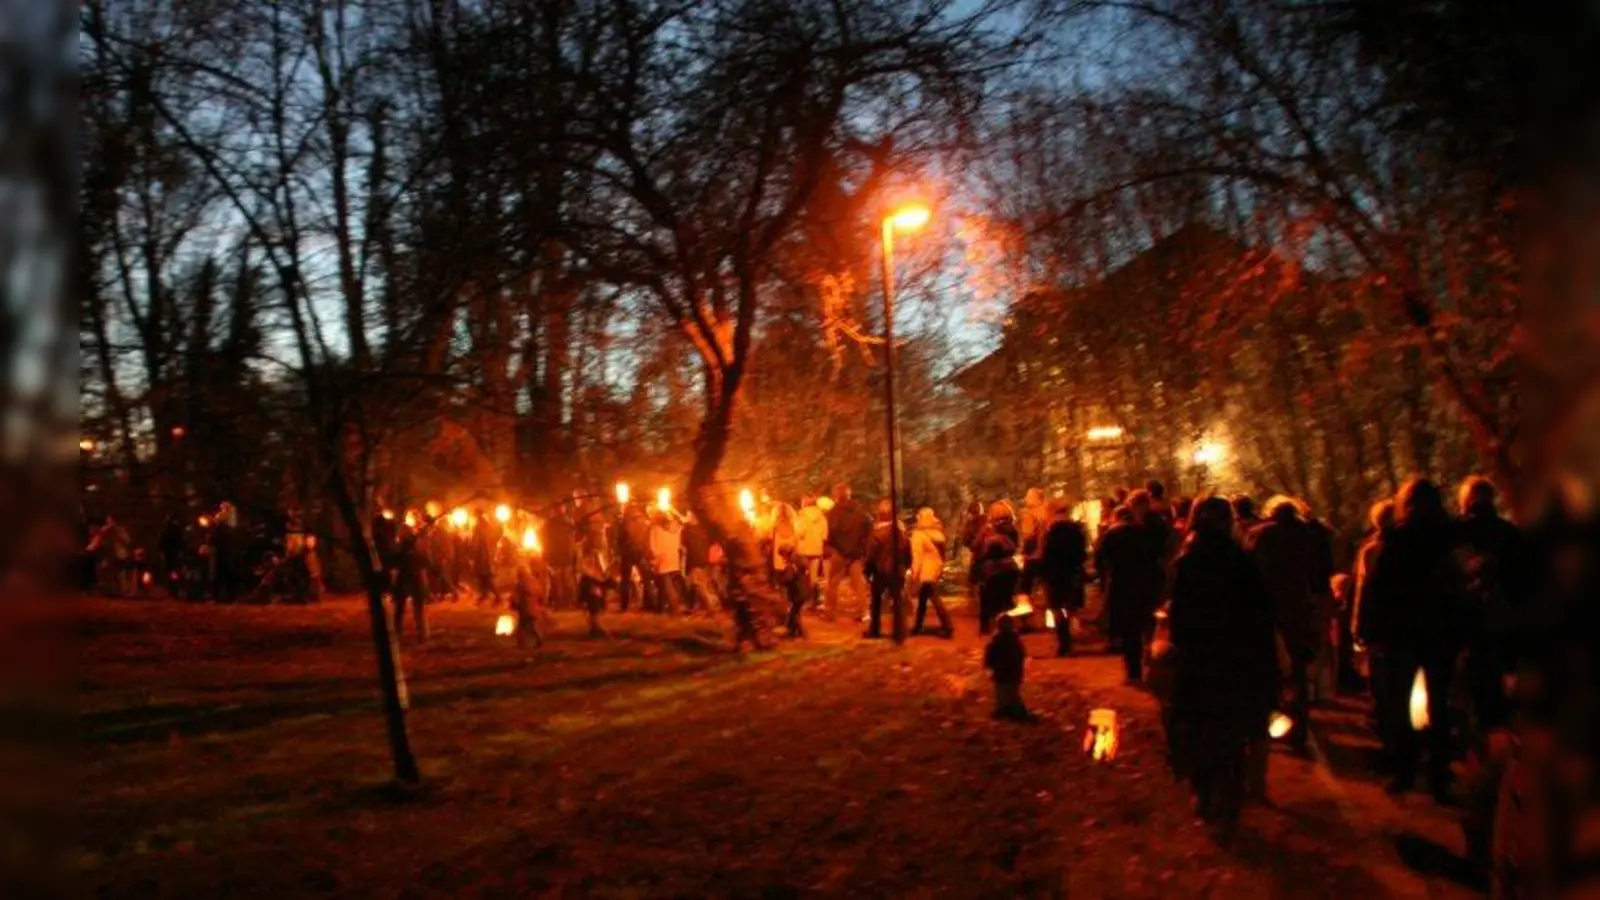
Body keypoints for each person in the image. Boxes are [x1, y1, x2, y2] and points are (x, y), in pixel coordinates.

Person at [1166, 496, 1278, 837]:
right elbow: (1261, 613)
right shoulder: (1241, 561)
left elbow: (1179, 617)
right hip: (1235, 659)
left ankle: (1203, 795)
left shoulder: (1187, 563)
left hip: (1199, 660)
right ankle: (1227, 800)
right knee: (1229, 731)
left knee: (1198, 729)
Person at [1360, 478, 1466, 800]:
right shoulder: (1452, 537)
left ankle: (1403, 770)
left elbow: (1377, 588)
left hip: (1401, 633)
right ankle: (1439, 775)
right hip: (1441, 632)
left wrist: (1369, 630)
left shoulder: (1398, 538)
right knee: (1440, 703)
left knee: (1398, 703)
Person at [1245, 495, 1323, 755]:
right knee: (1298, 672)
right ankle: (1299, 733)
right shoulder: (1309, 537)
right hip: (1298, 610)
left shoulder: (1259, 536)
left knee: (1268, 672)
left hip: (1267, 611)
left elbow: (1250, 573)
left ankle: (1269, 728)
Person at [1454, 476, 1525, 733]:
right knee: (1503, 688)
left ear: (1466, 501)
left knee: (1472, 687)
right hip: (1505, 622)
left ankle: (1477, 739)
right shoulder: (1511, 534)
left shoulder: (1455, 533)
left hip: (1466, 625)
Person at [1096, 490, 1167, 682]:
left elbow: (1101, 558)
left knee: (1132, 629)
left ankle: (1136, 670)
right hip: (1149, 582)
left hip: (1126, 583)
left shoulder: (1117, 532)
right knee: (1146, 626)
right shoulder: (1156, 526)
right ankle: (1147, 666)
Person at [1038, 500, 1089, 657]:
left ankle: (1064, 642)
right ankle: (1071, 639)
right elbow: (1083, 551)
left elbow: (1044, 553)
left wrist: (1041, 570)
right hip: (1072, 571)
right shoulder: (1077, 529)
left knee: (1055, 607)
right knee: (1070, 606)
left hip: (1053, 572)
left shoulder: (1049, 530)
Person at [863, 499, 911, 639]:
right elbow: (907, 550)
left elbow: (871, 553)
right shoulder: (900, 531)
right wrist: (906, 565)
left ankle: (875, 630)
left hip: (880, 570)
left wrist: (867, 570)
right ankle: (900, 631)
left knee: (876, 601)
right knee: (897, 599)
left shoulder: (876, 532)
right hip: (897, 569)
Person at [824, 483, 872, 621]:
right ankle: (865, 611)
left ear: (835, 496)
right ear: (849, 494)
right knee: (859, 584)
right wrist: (863, 551)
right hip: (856, 554)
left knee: (832, 584)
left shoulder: (831, 514)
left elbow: (828, 534)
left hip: (838, 553)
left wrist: (831, 549)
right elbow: (869, 532)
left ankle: (830, 612)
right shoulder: (861, 513)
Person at [974, 500, 1021, 636]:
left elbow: (978, 547)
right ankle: (1007, 629)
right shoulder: (1012, 529)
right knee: (1005, 601)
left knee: (988, 599)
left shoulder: (989, 530)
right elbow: (1015, 547)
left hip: (992, 569)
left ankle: (987, 629)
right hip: (1010, 567)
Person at [909, 507, 953, 638]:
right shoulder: (938, 534)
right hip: (936, 569)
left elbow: (917, 557)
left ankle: (948, 626)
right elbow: (942, 555)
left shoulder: (918, 535)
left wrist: (914, 574)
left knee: (934, 598)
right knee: (923, 598)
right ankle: (917, 626)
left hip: (925, 571)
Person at [391, 521, 431, 643]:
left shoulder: (402, 547)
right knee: (413, 608)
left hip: (407, 578)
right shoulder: (415, 547)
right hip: (412, 578)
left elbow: (395, 565)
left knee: (402, 608)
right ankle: (422, 634)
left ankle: (399, 633)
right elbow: (425, 564)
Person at [985, 616, 1030, 721]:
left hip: (1002, 671)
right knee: (1010, 691)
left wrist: (989, 664)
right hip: (1012, 671)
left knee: (1003, 691)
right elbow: (1021, 654)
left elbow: (991, 654)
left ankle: (1008, 709)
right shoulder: (1014, 639)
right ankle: (1009, 708)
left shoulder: (997, 639)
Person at [616, 499, 654, 612]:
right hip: (640, 551)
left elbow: (622, 536)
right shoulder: (643, 519)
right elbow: (647, 534)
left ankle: (624, 605)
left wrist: (619, 549)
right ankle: (650, 604)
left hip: (629, 551)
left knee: (625, 580)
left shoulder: (626, 520)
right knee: (646, 579)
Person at [576, 521, 613, 638]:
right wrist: (595, 577)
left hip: (597, 580)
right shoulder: (584, 551)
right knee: (594, 605)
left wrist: (604, 574)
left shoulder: (599, 552)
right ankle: (596, 628)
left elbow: (603, 566)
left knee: (597, 605)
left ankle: (595, 628)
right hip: (590, 581)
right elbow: (582, 567)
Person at [648, 510, 686, 615]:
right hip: (674, 559)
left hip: (663, 559)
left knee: (667, 585)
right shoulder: (676, 527)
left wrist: (656, 556)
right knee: (668, 584)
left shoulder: (655, 528)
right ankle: (663, 608)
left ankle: (674, 608)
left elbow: (653, 545)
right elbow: (678, 543)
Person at [681, 512, 721, 613]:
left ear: (693, 518)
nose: (687, 517)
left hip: (695, 561)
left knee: (698, 585)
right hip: (703, 560)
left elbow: (684, 544)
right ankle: (696, 606)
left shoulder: (689, 531)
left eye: (689, 516)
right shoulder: (703, 530)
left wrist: (684, 526)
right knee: (697, 584)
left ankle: (712, 605)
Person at [795, 494, 829, 609]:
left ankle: (806, 599)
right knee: (814, 576)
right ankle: (815, 599)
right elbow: (825, 535)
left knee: (803, 576)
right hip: (817, 549)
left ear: (804, 502)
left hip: (803, 549)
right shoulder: (822, 516)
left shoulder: (801, 515)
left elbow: (800, 532)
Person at [544, 502, 578, 610]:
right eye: (559, 508)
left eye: (561, 507)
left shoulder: (568, 522)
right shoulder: (551, 524)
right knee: (559, 580)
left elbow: (573, 538)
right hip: (557, 556)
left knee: (563, 580)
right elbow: (545, 540)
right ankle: (563, 602)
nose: (560, 510)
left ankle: (566, 602)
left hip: (564, 555)